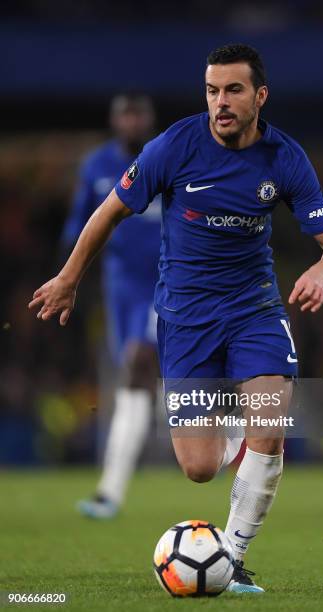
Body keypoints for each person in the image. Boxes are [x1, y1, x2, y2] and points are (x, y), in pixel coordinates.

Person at [29, 44, 323, 592]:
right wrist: (68, 279)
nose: (220, 102)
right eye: (211, 91)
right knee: (200, 468)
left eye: (232, 90)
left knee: (269, 429)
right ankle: (230, 425)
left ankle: (233, 557)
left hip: (255, 308)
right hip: (186, 318)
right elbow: (108, 211)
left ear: (260, 96)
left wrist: (322, 271)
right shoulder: (175, 146)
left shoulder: (285, 156)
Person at [62, 93, 162, 519]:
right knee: (140, 382)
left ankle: (110, 490)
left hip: (168, 284)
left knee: (139, 366)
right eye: (125, 113)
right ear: (114, 118)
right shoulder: (96, 167)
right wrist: (69, 277)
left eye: (139, 113)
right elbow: (80, 226)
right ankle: (111, 490)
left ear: (149, 119)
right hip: (120, 288)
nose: (132, 120)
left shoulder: (166, 161)